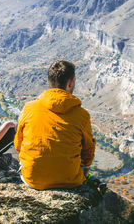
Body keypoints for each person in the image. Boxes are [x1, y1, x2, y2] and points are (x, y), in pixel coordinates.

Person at [14, 60, 96, 190]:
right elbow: (88, 151)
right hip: (70, 180)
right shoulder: (82, 115)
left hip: (32, 179)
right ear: (70, 83)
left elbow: (19, 143)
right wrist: (84, 173)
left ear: (49, 82)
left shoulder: (29, 108)